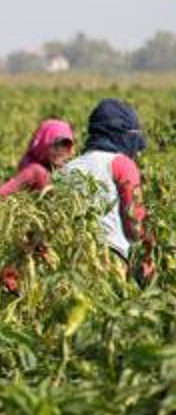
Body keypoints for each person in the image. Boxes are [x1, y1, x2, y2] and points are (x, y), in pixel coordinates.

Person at [56, 98, 154, 282]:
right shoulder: (121, 164)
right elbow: (134, 221)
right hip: (110, 260)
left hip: (70, 265)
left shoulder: (65, 170)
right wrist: (149, 249)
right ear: (123, 135)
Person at [0, 119, 75, 197]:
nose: (60, 151)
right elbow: (1, 194)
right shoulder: (35, 171)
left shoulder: (63, 169)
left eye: (65, 145)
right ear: (43, 144)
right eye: (56, 145)